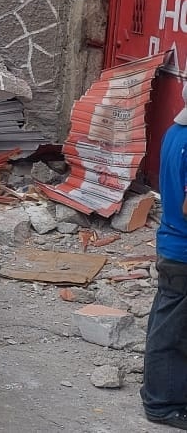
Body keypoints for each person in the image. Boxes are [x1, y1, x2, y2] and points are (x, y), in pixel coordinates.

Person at [142, 83, 187, 430]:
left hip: (173, 245)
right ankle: (162, 405)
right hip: (183, 251)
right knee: (171, 332)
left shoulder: (175, 132)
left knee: (168, 325)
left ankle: (162, 394)